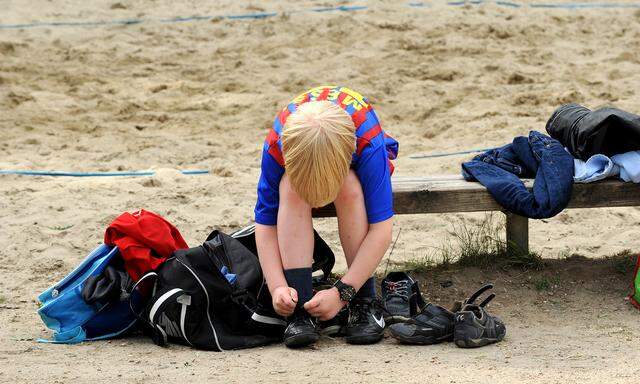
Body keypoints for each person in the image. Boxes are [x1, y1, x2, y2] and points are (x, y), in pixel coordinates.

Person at [254, 85, 397, 348]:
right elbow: (265, 226)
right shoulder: (277, 144)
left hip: (349, 165)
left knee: (351, 187)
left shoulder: (367, 144)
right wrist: (277, 288)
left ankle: (364, 301)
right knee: (289, 186)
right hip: (308, 159)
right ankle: (299, 306)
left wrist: (343, 293)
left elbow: (382, 230)